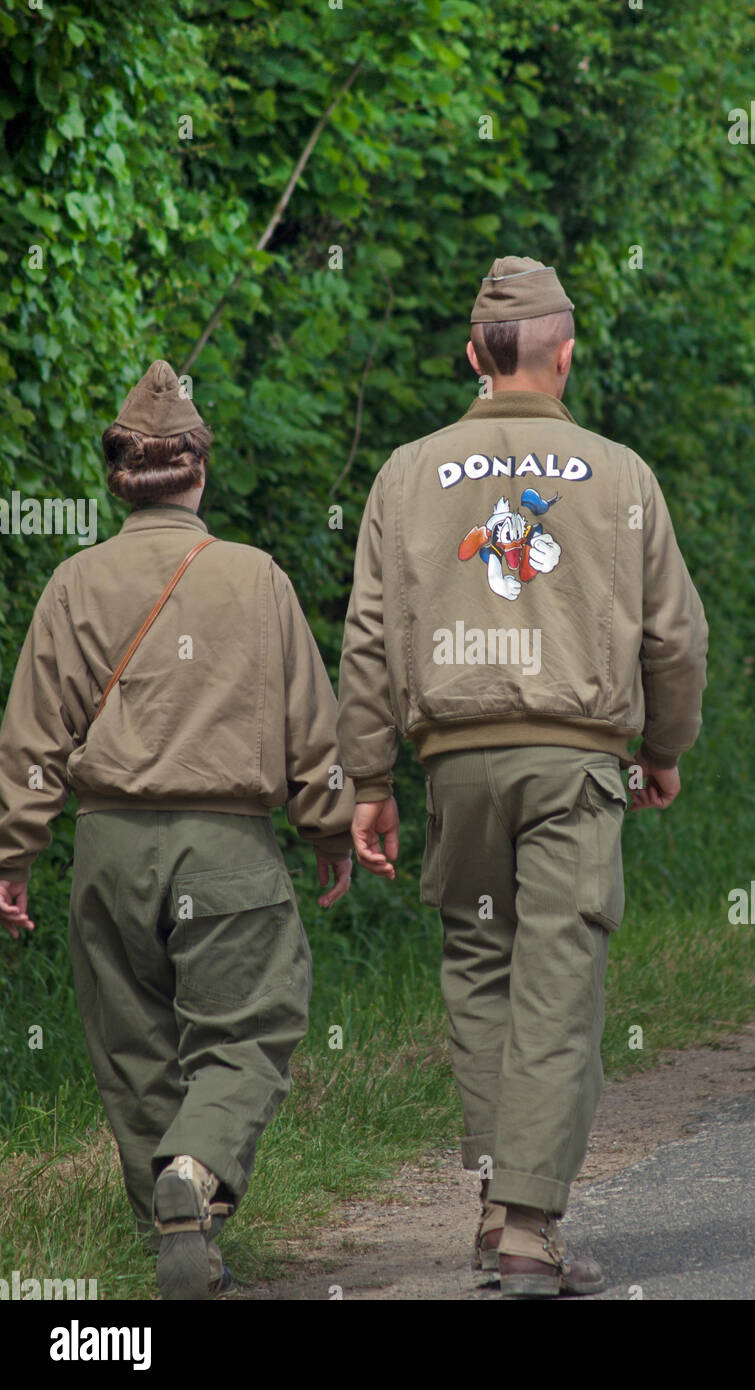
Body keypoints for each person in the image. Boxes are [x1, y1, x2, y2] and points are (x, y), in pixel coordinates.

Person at [337, 256, 708, 1297]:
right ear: (565, 354)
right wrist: (664, 748)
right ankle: (526, 1230)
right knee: (557, 986)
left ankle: (504, 1203)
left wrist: (366, 777)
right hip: (576, 762)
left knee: (484, 979)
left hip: (454, 765)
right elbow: (675, 638)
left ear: (472, 357)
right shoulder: (621, 472)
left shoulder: (406, 471)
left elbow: (368, 637)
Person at [0, 361, 355, 1300]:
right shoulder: (256, 578)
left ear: (119, 476)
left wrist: (12, 855)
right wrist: (328, 827)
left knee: (134, 1045)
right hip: (226, 846)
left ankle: (174, 1221)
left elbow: (35, 736)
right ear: (197, 469)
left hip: (110, 847)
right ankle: (193, 1176)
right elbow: (310, 724)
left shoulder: (74, 583)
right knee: (249, 1026)